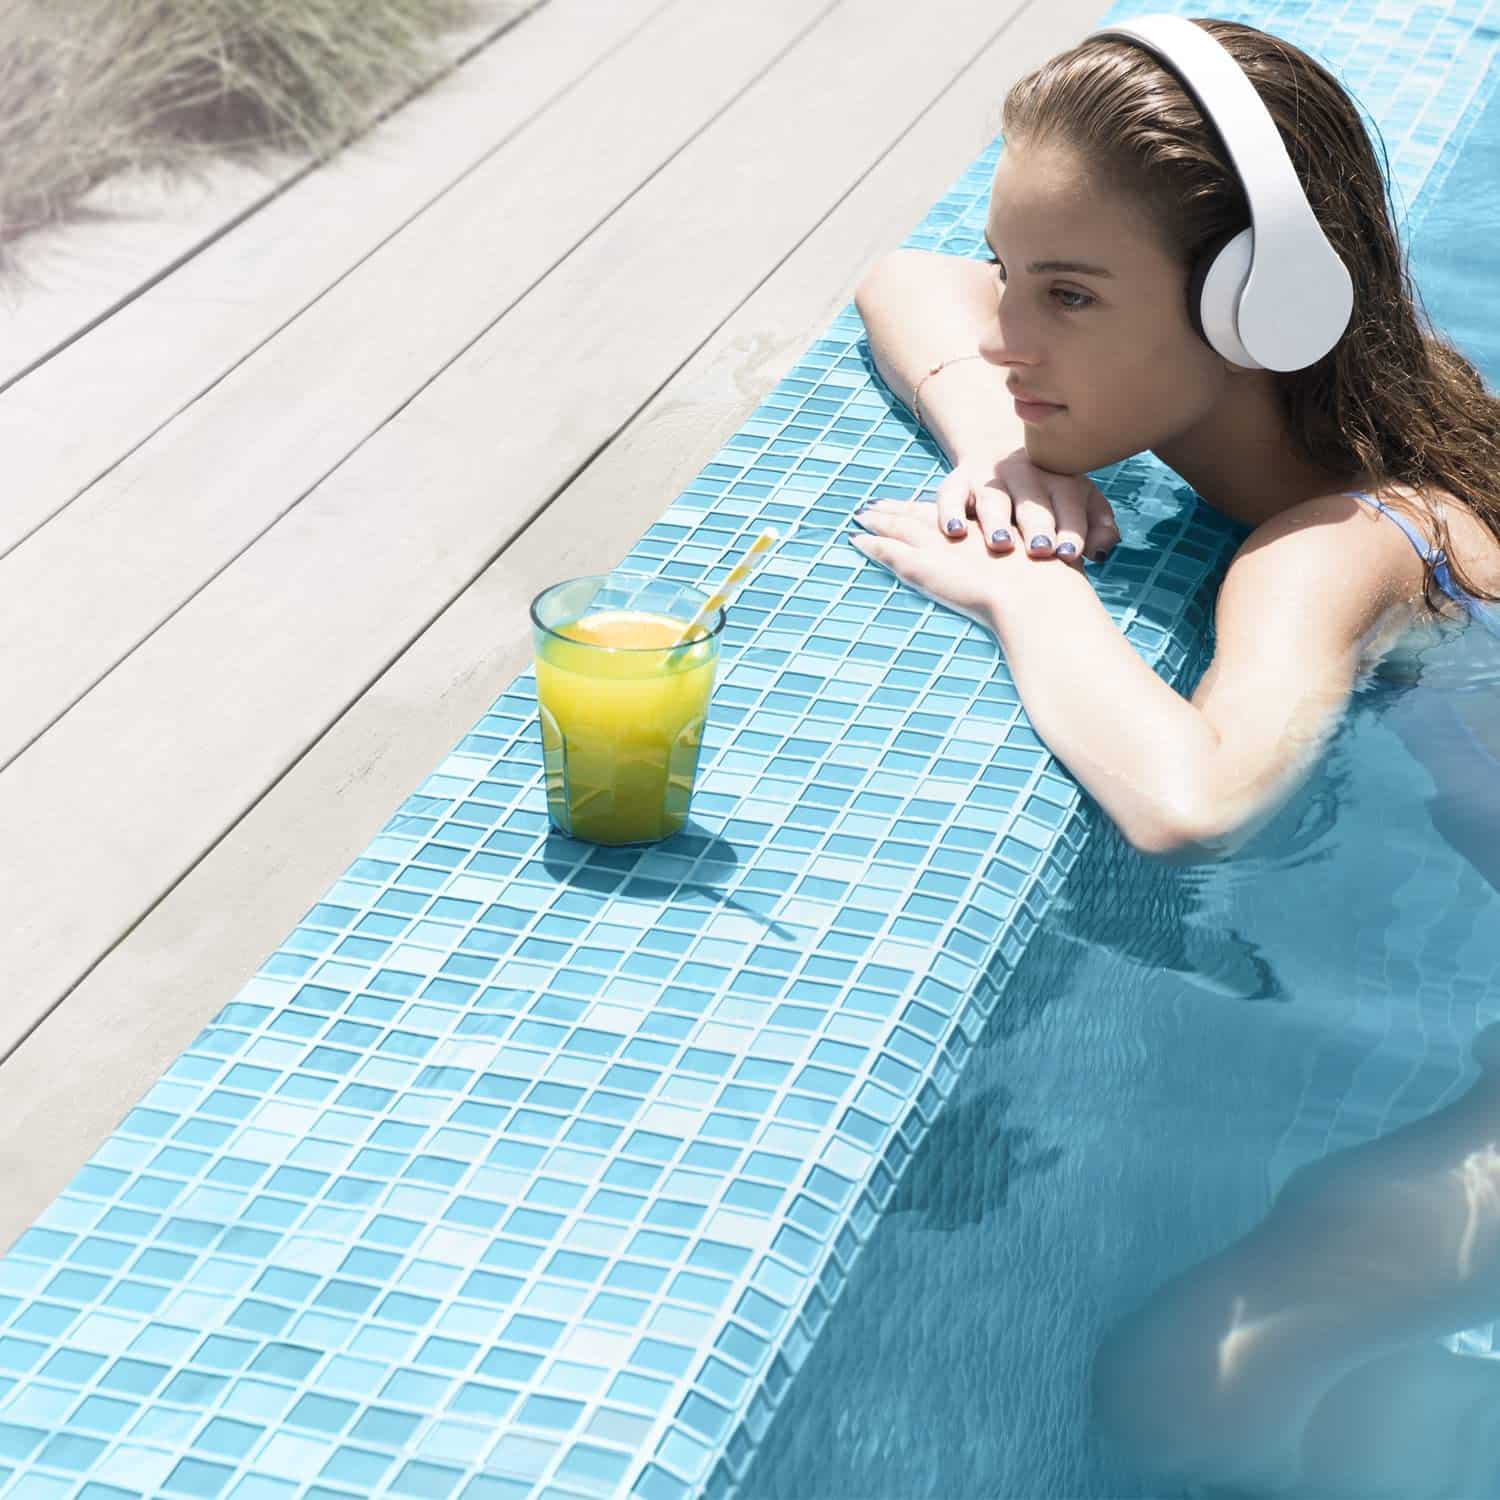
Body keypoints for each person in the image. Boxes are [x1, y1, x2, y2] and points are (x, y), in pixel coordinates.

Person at [849, 15, 1500, 1498]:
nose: (1011, 333)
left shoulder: (1344, 544)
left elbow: (1195, 801)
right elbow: (905, 277)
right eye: (1018, 276)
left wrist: (1030, 589)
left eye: (1070, 297)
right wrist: (995, 445)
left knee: (1186, 1390)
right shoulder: (1398, 391)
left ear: (1261, 308)